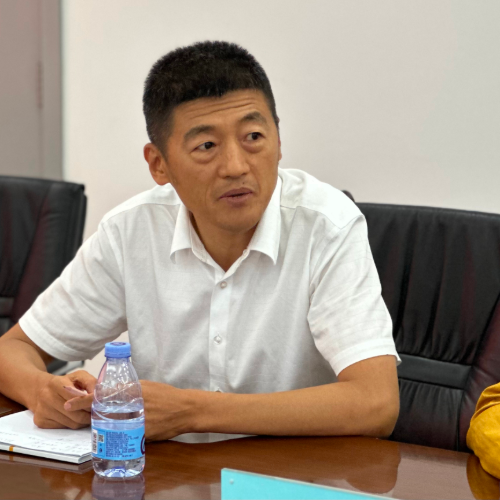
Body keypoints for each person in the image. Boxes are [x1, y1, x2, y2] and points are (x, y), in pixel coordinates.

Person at [0, 41, 400, 443]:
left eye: (253, 136)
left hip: (287, 472)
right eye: (206, 146)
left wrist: (192, 412)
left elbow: (376, 403)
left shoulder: (328, 226)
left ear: (279, 141)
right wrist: (42, 391)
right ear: (159, 164)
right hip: (165, 470)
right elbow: (12, 349)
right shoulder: (131, 230)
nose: (236, 166)